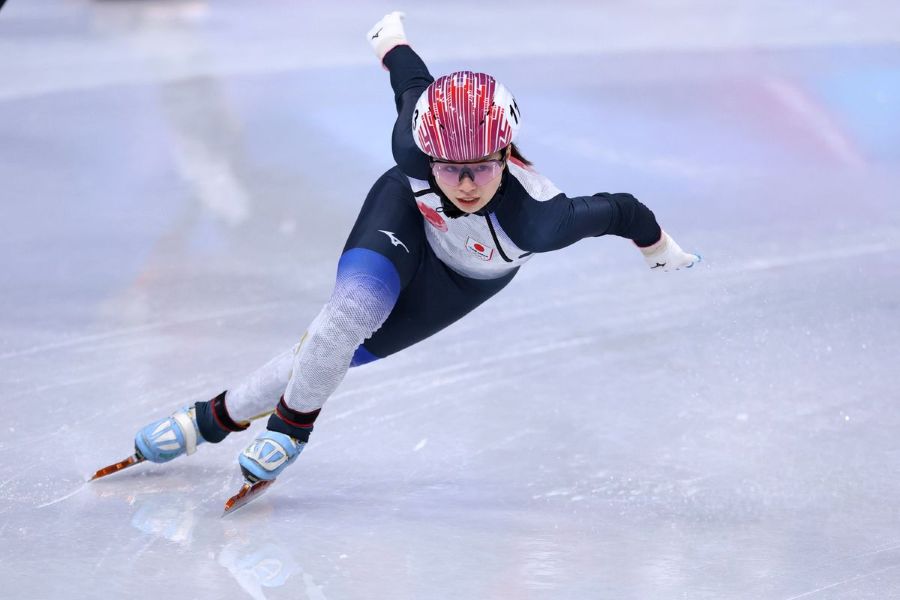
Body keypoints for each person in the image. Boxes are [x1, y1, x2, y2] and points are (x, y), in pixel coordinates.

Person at [132, 12, 700, 486]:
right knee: (347, 317)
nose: (466, 183)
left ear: (505, 154)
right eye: (450, 169)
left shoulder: (540, 222)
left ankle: (210, 419)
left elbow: (622, 209)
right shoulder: (412, 148)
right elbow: (411, 84)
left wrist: (658, 247)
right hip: (404, 214)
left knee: (333, 354)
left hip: (465, 278)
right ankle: (292, 429)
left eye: (480, 168)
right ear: (428, 155)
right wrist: (391, 41)